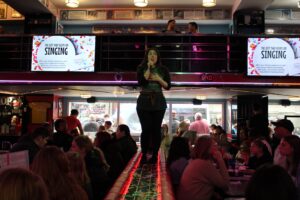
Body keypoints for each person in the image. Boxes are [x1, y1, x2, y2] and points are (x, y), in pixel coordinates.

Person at [136, 47, 171, 164]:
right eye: (150, 54)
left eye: (154, 54)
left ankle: (155, 155)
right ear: (147, 56)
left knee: (156, 130)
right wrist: (149, 68)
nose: (152, 56)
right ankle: (144, 154)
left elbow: (167, 86)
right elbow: (142, 82)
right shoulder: (141, 68)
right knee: (145, 129)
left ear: (157, 57)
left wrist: (158, 78)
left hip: (159, 102)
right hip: (143, 102)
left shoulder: (163, 69)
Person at [177, 136, 229, 200]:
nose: (217, 148)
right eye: (214, 145)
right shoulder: (204, 165)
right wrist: (220, 159)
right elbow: (226, 185)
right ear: (207, 148)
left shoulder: (195, 161)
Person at [71, 136, 110, 200]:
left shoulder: (87, 165)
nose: (71, 149)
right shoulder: (96, 153)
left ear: (83, 149)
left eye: (73, 146)